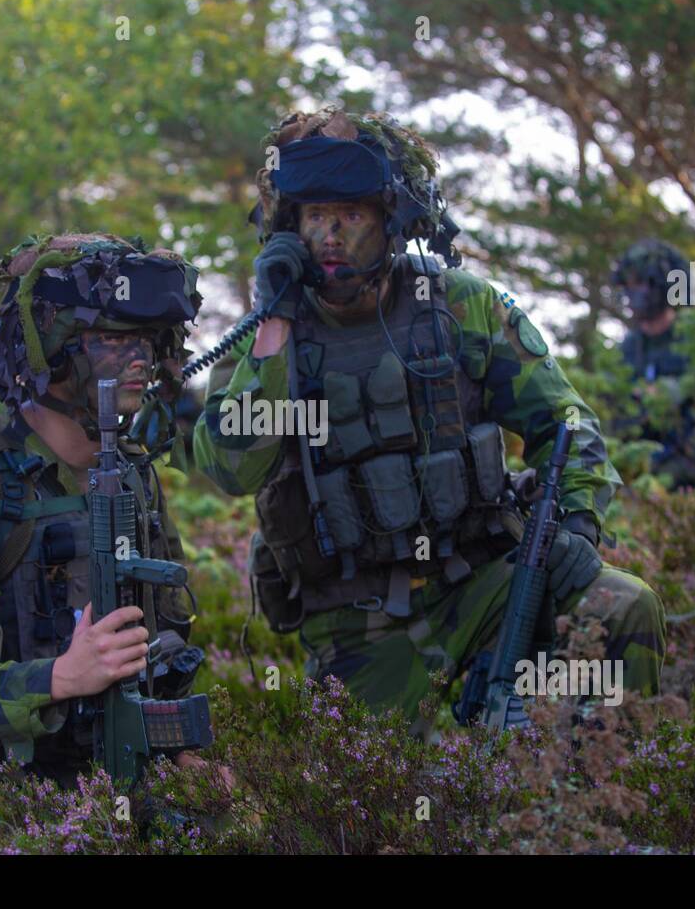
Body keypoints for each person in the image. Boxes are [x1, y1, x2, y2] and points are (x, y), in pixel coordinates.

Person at [193, 107, 666, 735]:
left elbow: (566, 423)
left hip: (484, 584)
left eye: (352, 216)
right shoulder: (269, 340)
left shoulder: (460, 304)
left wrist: (573, 528)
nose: (330, 235)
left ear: (392, 223)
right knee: (363, 809)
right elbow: (232, 466)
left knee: (625, 605)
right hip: (355, 624)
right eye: (313, 217)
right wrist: (274, 321)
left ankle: (592, 801)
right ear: (287, 228)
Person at [0, 232, 211, 803]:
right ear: (49, 351)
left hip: (109, 769)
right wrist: (61, 677)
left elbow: (161, 640)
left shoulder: (130, 472)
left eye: (147, 342)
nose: (140, 361)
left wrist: (179, 751)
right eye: (112, 340)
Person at [610, 238, 695, 490]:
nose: (633, 294)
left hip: (693, 471)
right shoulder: (628, 348)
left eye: (641, 284)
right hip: (638, 474)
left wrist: (668, 392)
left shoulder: (694, 341)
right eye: (629, 285)